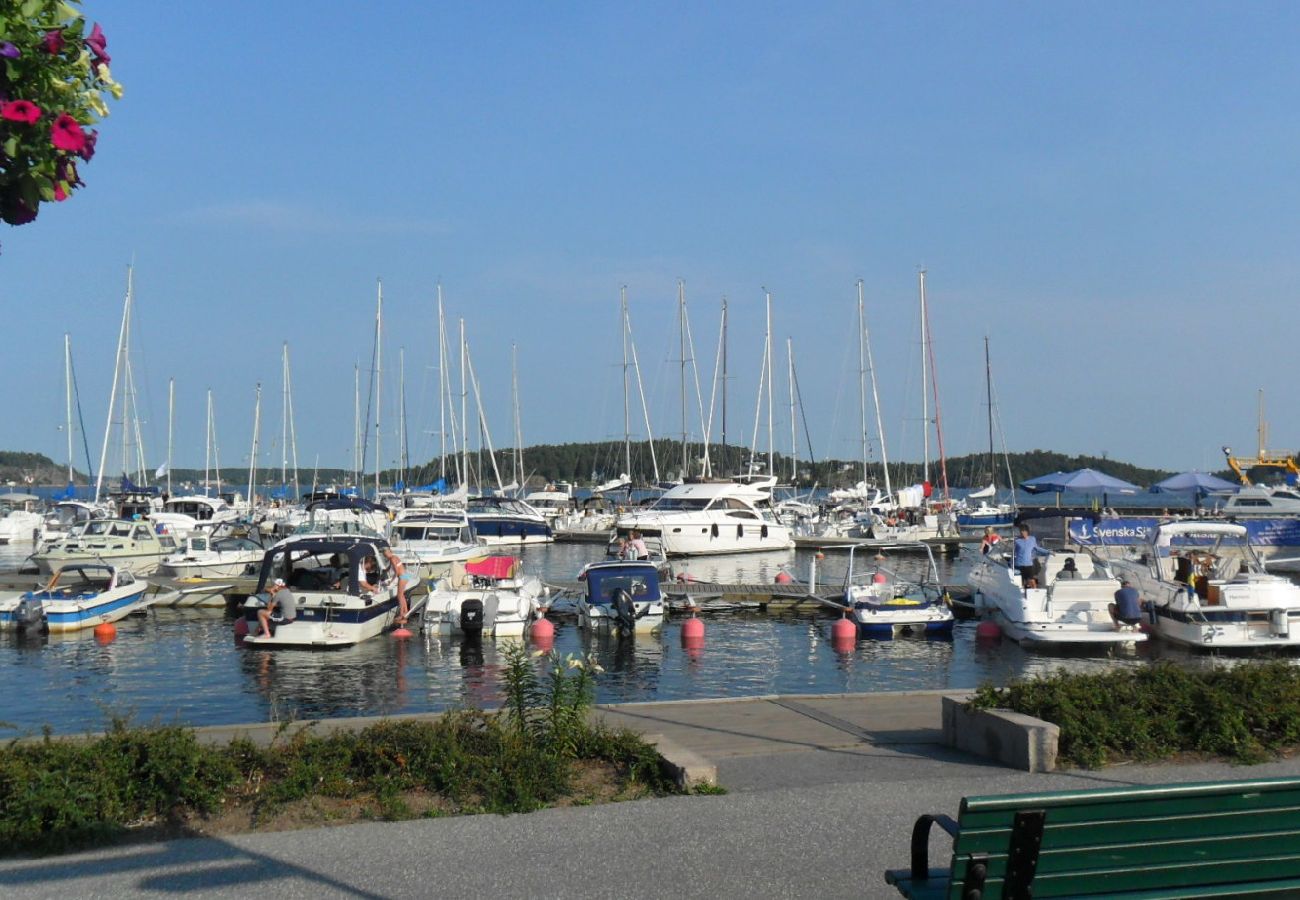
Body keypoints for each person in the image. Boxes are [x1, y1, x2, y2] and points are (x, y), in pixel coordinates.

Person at [1012, 525, 1050, 590]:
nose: (1022, 533)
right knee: (1022, 581)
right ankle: (1023, 594)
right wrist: (1011, 562)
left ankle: (1035, 592)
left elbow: (1037, 548)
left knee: (1032, 580)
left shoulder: (1032, 539)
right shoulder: (1017, 541)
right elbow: (1014, 553)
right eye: (1021, 532)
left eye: (1024, 531)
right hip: (1019, 564)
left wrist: (1048, 552)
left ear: (1027, 532)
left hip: (1028, 564)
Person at [383, 547, 414, 625]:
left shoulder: (392, 559)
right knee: (402, 595)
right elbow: (390, 567)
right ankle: (405, 612)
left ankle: (401, 614)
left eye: (386, 554)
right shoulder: (394, 557)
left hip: (402, 577)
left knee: (399, 596)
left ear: (389, 552)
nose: (385, 556)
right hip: (405, 576)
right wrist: (385, 571)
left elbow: (396, 571)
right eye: (384, 555)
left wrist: (391, 581)